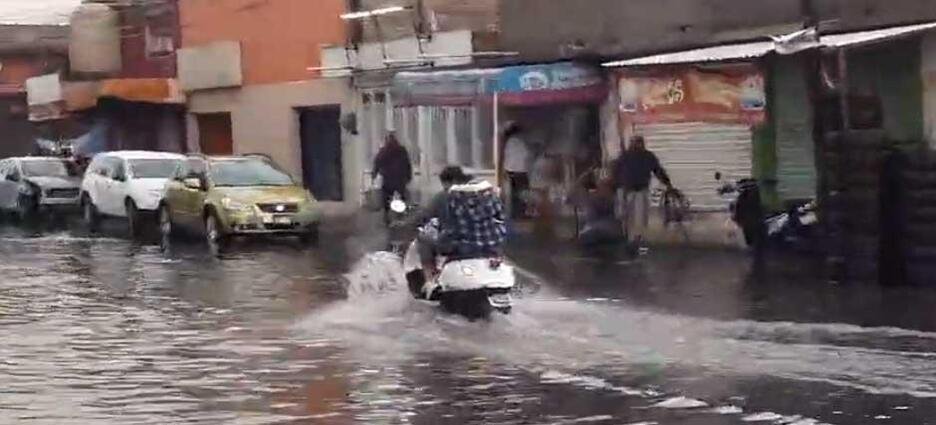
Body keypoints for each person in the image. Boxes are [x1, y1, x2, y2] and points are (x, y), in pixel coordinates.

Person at [613, 135, 673, 246]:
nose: (636, 145)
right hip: (626, 191)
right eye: (634, 142)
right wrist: (616, 188)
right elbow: (615, 173)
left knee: (640, 218)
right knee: (625, 217)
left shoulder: (648, 156)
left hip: (640, 190)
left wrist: (668, 184)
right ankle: (627, 239)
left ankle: (638, 241)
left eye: (638, 142)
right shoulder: (624, 156)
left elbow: (658, 171)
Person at [570, 169, 623, 247]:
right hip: (610, 234)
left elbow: (573, 192)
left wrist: (583, 177)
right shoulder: (613, 200)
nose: (599, 189)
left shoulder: (593, 199)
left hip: (596, 235)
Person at [372, 133, 413, 225]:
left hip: (388, 178)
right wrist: (408, 176)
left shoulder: (384, 150)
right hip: (399, 178)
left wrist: (374, 174)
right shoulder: (401, 150)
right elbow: (407, 164)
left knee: (386, 197)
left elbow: (377, 163)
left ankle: (387, 216)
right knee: (401, 196)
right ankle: (400, 215)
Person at [502, 123, 532, 219]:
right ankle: (521, 213)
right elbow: (526, 154)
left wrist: (505, 170)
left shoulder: (509, 142)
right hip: (521, 171)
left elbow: (507, 157)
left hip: (511, 171)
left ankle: (515, 214)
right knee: (522, 194)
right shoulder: (520, 142)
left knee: (514, 195)